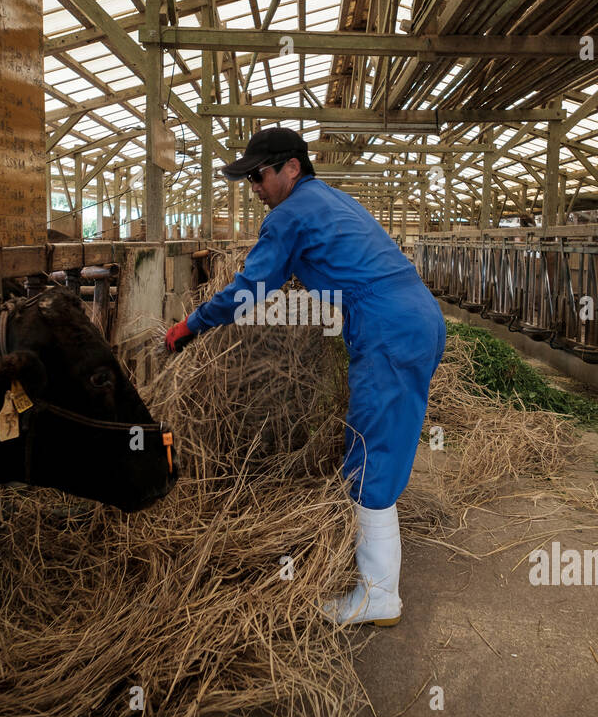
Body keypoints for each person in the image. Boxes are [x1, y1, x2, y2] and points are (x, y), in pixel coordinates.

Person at [165, 127, 446, 626]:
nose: (254, 185)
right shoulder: (328, 200)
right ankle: (378, 582)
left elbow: (251, 289)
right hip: (410, 317)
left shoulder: (289, 215)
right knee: (380, 446)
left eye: (259, 174)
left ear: (291, 168)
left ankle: (379, 598)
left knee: (371, 454)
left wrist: (190, 325)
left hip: (388, 329)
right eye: (248, 177)